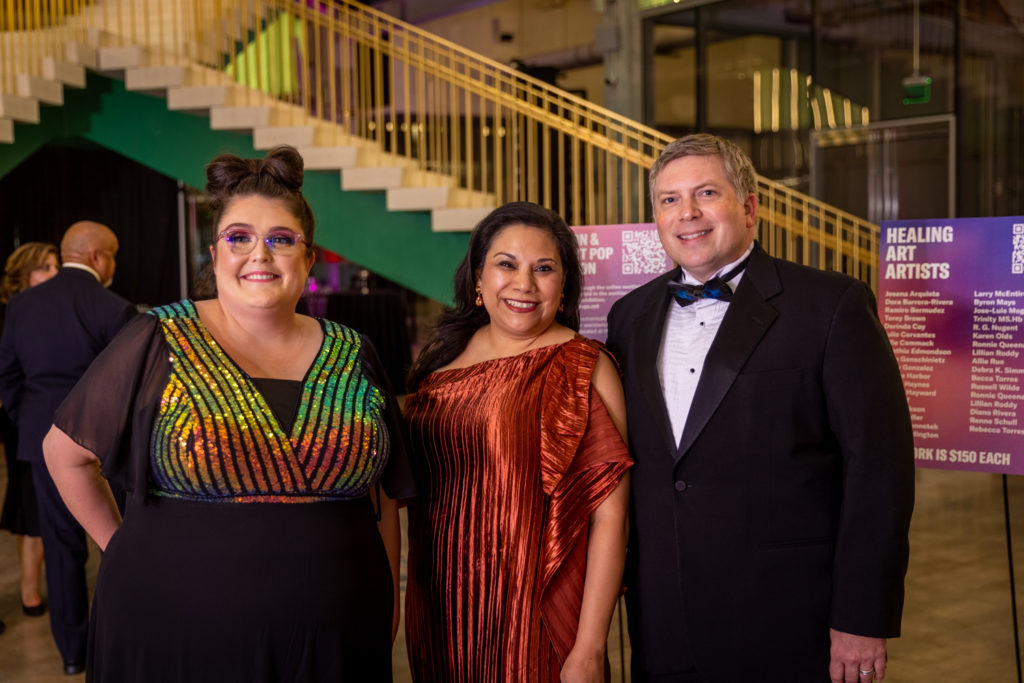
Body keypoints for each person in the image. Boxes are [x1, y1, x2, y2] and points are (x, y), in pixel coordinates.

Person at [42, 145, 414, 682]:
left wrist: (387, 605)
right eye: (239, 237)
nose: (259, 254)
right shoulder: (158, 338)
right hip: (170, 634)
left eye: (281, 239)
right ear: (214, 256)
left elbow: (384, 497)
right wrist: (121, 548)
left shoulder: (354, 351)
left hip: (337, 641)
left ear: (308, 260)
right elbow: (64, 454)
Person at [605, 133, 915, 683]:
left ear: (749, 207)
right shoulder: (628, 317)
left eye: (706, 193)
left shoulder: (831, 305)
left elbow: (879, 472)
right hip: (665, 622)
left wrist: (861, 617)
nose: (687, 213)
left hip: (789, 621)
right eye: (670, 199)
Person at [403, 201, 633, 682]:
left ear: (564, 286)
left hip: (532, 615)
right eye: (506, 264)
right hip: (442, 606)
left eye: (543, 269)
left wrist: (590, 649)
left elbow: (611, 518)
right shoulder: (440, 363)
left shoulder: (582, 366)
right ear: (478, 279)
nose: (524, 283)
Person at [0, 223, 135, 674]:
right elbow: (129, 389)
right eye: (112, 255)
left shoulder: (22, 305)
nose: (114, 264)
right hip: (107, 445)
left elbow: (8, 376)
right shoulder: (115, 308)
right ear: (97, 257)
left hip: (42, 441)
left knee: (61, 549)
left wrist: (34, 424)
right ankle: (124, 642)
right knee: (119, 542)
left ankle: (74, 655)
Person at [0, 242, 60, 624]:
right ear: (25, 274)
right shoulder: (11, 313)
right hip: (20, 420)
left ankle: (34, 584)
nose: (55, 274)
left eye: (56, 266)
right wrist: (21, 415)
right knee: (31, 502)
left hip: (37, 418)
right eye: (46, 268)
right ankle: (29, 587)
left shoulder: (48, 311)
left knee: (40, 503)